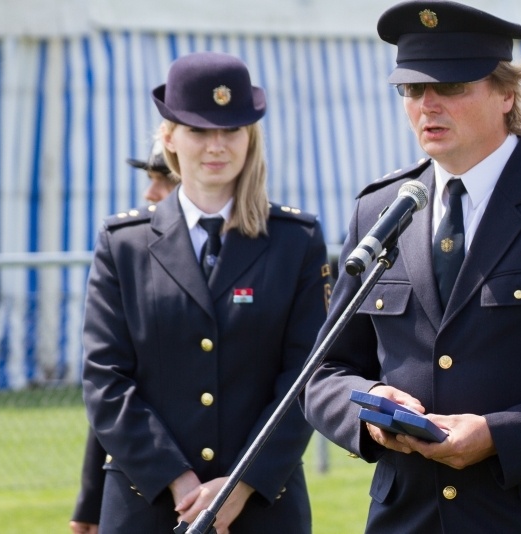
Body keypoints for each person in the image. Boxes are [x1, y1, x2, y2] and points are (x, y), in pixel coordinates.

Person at [302, 1, 521, 532]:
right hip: (409, 516)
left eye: (450, 87)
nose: (427, 105)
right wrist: (371, 407)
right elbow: (325, 373)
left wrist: (501, 433)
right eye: (410, 89)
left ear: (506, 93)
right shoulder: (379, 209)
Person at [82, 51, 329, 533]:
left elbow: (306, 377)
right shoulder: (124, 244)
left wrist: (240, 484)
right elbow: (104, 378)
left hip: (262, 506)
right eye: (198, 130)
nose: (216, 146)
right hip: (146, 504)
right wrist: (178, 481)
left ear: (250, 136)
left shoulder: (294, 241)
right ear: (169, 137)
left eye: (231, 130)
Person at [69, 141, 179, 534]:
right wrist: (90, 502)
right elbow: (112, 391)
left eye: (161, 180)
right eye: (149, 180)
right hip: (139, 490)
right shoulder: (131, 250)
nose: (150, 193)